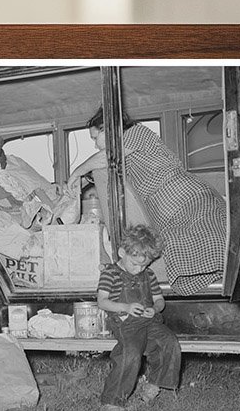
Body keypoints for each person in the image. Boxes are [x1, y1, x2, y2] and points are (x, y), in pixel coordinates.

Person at [69, 107, 227, 296]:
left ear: (108, 130)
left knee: (209, 247)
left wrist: (77, 172)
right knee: (181, 254)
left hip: (187, 199)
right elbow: (103, 166)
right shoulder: (124, 153)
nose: (95, 144)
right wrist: (80, 181)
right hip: (170, 208)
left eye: (95, 138)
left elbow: (107, 157)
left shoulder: (136, 133)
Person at [97, 224, 180, 411]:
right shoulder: (110, 273)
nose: (139, 269)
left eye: (144, 264)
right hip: (125, 323)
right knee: (131, 353)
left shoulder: (148, 275)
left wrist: (154, 308)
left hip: (149, 320)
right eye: (134, 264)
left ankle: (154, 385)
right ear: (121, 253)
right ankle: (112, 400)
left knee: (169, 341)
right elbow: (102, 301)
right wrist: (126, 306)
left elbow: (160, 300)